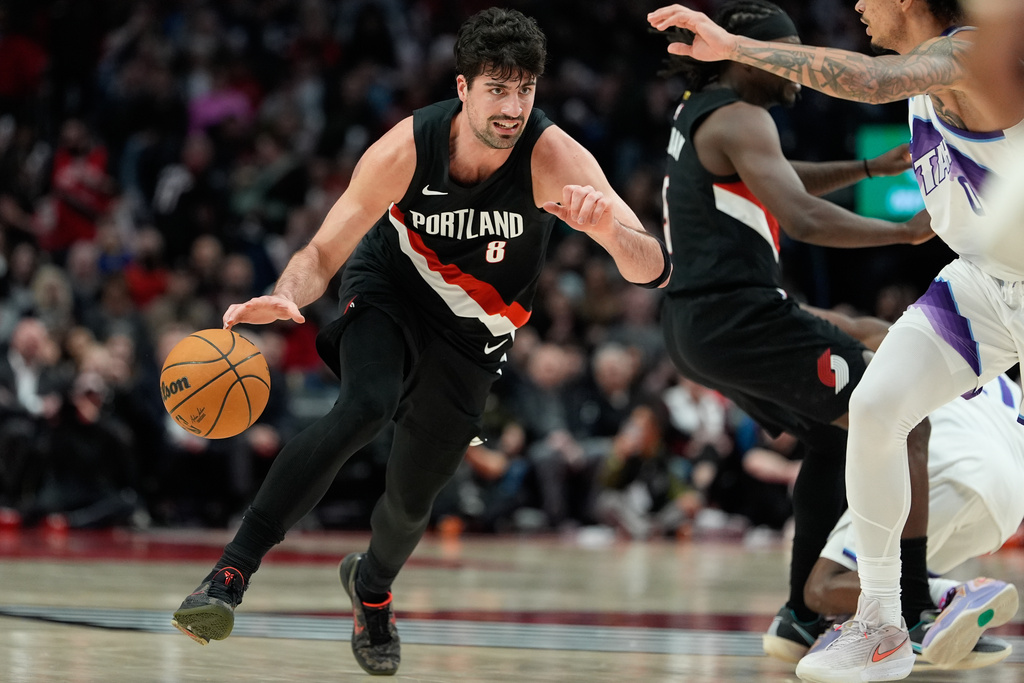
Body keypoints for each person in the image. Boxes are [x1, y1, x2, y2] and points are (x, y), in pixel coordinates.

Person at [170, 7, 670, 677]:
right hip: (392, 286)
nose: (513, 105)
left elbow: (651, 265)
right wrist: (290, 292)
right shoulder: (407, 146)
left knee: (413, 496)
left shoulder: (555, 159)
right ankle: (229, 572)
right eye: (498, 88)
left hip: (476, 332)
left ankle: (371, 589)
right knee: (365, 404)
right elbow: (322, 250)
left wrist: (611, 231)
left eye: (525, 89)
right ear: (462, 89)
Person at [649, 2, 1024, 681]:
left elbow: (871, 84)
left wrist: (736, 45)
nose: (855, 5)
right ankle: (883, 623)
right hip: (984, 285)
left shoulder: (958, 56)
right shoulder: (920, 83)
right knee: (878, 407)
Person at [794, 308, 1020, 672]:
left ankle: (952, 596)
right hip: (1008, 506)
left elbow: (850, 326)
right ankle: (927, 622)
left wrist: (768, 302)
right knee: (894, 574)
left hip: (949, 467)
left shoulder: (914, 341)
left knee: (821, 587)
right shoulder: (996, 368)